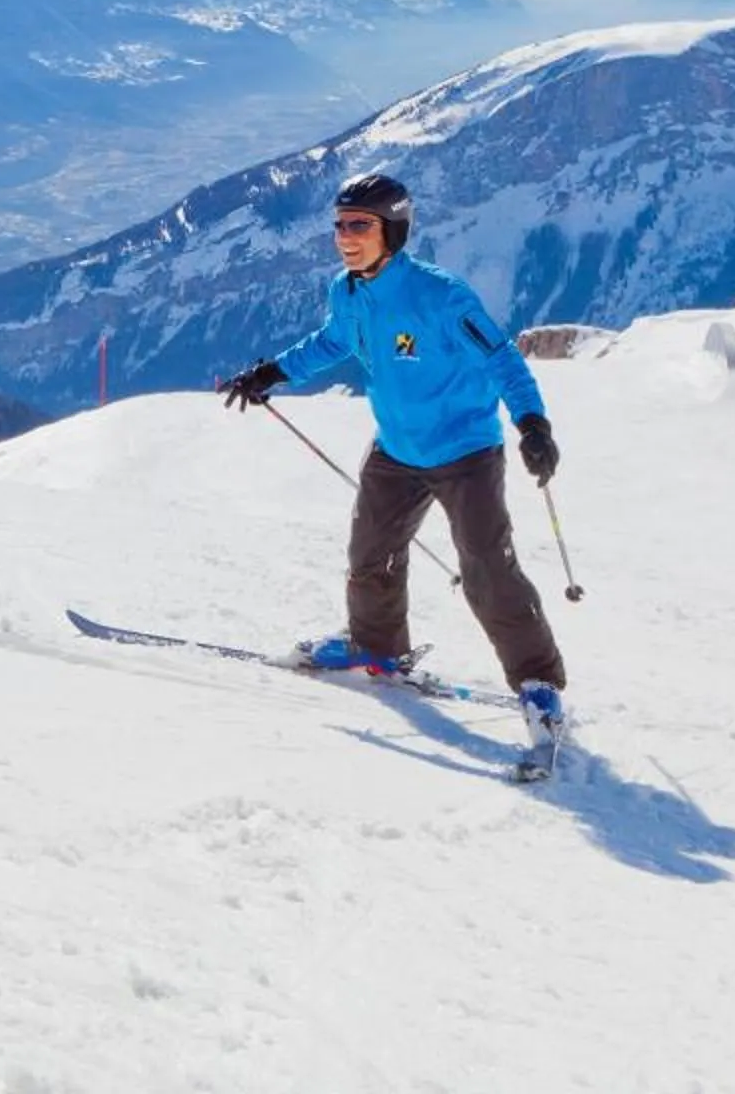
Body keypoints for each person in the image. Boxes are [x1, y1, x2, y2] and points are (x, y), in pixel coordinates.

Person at [216, 171, 568, 751]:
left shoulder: (441, 296)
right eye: (339, 226)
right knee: (369, 557)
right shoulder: (346, 292)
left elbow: (502, 360)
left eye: (359, 226)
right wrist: (271, 373)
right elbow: (334, 342)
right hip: (397, 449)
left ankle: (539, 685)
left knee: (487, 569)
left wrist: (532, 424)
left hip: (466, 451)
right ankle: (376, 646)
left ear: (393, 230)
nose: (344, 237)